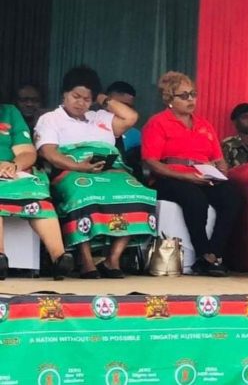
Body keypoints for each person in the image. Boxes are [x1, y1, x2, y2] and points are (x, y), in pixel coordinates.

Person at [35, 66, 156, 279]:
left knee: (139, 193)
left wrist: (103, 99)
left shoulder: (100, 116)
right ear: (64, 94)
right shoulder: (51, 119)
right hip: (72, 171)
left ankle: (112, 260)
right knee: (85, 195)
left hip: (110, 171)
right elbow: (49, 153)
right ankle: (86, 261)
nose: (80, 103)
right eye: (76, 96)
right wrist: (79, 166)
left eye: (86, 99)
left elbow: (130, 117)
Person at [142, 71, 242, 277]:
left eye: (193, 94)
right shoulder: (158, 122)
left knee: (232, 196)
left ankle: (215, 253)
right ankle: (203, 254)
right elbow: (151, 162)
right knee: (194, 199)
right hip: (169, 177)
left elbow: (218, 158)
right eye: (184, 95)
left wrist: (221, 172)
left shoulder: (204, 124)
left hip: (203, 176)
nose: (191, 100)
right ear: (169, 99)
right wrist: (185, 176)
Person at [0, 104, 74, 280]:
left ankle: (58, 258)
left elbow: (27, 152)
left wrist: (13, 166)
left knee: (37, 193)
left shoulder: (9, 112)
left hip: (10, 171)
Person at [105, 81, 142, 179]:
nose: (122, 110)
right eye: (118, 105)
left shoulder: (136, 136)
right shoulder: (91, 126)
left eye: (128, 107)